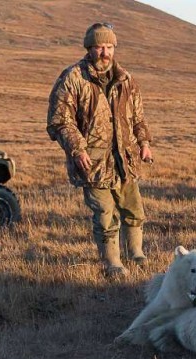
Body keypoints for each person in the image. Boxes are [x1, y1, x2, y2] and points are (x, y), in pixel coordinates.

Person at [47, 22, 153, 277]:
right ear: (89, 48)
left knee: (134, 209)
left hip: (124, 159)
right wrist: (77, 149)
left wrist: (144, 143)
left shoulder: (126, 79)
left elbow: (137, 118)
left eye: (109, 47)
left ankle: (135, 253)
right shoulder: (73, 78)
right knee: (105, 213)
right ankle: (112, 262)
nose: (104, 52)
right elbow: (60, 121)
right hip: (92, 162)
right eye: (99, 47)